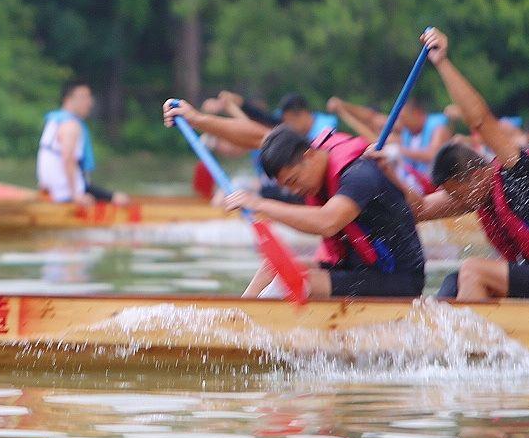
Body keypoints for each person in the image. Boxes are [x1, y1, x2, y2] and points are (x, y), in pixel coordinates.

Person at [404, 30, 529, 302]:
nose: (456, 201)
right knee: (453, 282)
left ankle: (473, 344)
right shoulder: (476, 193)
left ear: (477, 176)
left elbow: (481, 121)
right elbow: (418, 209)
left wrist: (442, 62)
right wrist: (382, 170)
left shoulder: (518, 173)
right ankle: (443, 340)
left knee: (473, 270)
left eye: (457, 193)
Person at [163, 103, 425, 299]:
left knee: (298, 280)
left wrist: (259, 204)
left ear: (310, 157)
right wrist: (197, 120)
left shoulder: (359, 174)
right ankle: (238, 316)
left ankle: (256, 334)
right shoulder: (302, 152)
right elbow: (256, 137)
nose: (297, 190)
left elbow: (327, 222)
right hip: (357, 268)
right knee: (274, 267)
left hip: (397, 279)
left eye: (293, 181)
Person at [38, 80, 124, 205]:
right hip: (67, 194)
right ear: (68, 99)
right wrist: (76, 196)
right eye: (84, 97)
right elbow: (68, 159)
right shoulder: (71, 125)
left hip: (50, 191)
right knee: (120, 199)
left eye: (89, 97)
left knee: (113, 196)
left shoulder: (53, 121)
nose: (89, 102)